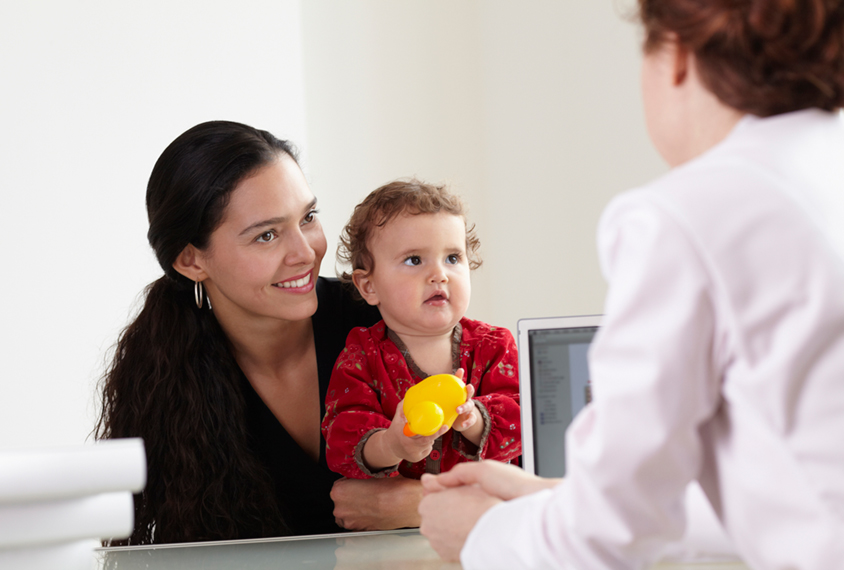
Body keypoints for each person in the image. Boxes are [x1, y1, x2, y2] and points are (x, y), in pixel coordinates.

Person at [418, 0, 844, 568]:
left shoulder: (690, 214)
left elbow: (607, 537)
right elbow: (804, 493)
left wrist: (483, 533)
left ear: (678, 56)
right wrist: (558, 498)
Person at [94, 121, 423, 544]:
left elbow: (523, 479)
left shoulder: (384, 317)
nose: (305, 253)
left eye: (307, 218)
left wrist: (423, 502)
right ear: (192, 261)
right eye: (266, 235)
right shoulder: (161, 373)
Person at [321, 180, 521, 480]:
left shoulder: (495, 346)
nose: (439, 274)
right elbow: (341, 440)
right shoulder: (362, 354)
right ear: (369, 286)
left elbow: (523, 424)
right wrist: (391, 443)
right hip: (394, 527)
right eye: (414, 260)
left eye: (452, 258)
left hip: (480, 518)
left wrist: (473, 419)